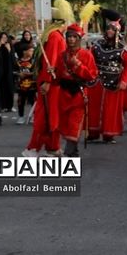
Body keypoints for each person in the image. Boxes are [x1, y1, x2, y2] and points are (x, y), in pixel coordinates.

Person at [22, 5, 69, 157]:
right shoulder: (55, 36)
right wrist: (48, 81)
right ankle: (32, 148)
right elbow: (52, 61)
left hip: (55, 82)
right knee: (46, 116)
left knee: (54, 115)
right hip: (50, 82)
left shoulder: (53, 34)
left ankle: (53, 146)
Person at [87, 15, 127, 143]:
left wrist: (124, 81)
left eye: (113, 29)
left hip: (114, 82)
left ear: (117, 31)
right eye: (108, 29)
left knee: (111, 109)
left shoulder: (123, 47)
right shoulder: (97, 45)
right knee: (94, 108)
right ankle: (93, 132)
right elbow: (90, 60)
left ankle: (109, 133)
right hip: (97, 81)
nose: (110, 31)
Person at [54, 24, 98, 157]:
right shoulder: (61, 56)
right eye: (69, 37)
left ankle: (69, 151)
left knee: (75, 122)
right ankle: (73, 151)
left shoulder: (86, 55)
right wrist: (53, 73)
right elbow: (57, 79)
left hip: (78, 94)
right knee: (66, 124)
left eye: (74, 37)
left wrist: (78, 65)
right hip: (64, 94)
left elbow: (92, 75)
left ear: (79, 38)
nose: (71, 39)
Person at [0, 32, 16, 112]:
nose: (4, 39)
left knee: (9, 88)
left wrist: (9, 49)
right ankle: (2, 106)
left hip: (8, 70)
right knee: (1, 88)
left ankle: (10, 106)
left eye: (5, 38)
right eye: (2, 37)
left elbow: (13, 60)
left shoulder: (10, 46)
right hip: (0, 70)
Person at [15, 43, 36, 125]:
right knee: (20, 101)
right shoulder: (18, 61)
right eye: (30, 50)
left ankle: (34, 116)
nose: (31, 52)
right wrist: (18, 74)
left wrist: (28, 74)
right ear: (24, 51)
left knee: (32, 101)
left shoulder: (33, 61)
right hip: (21, 85)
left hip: (31, 85)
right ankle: (21, 116)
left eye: (32, 51)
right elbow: (14, 71)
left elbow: (36, 72)